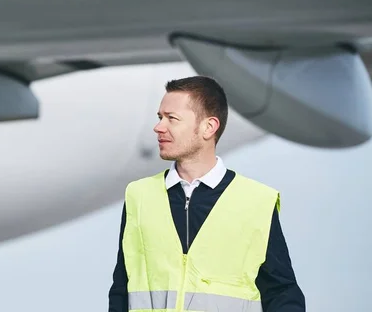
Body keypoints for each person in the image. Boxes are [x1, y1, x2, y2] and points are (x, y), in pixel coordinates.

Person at [108, 76, 305, 312]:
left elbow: (282, 292)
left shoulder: (257, 202)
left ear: (209, 127)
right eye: (160, 117)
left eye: (172, 119)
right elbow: (122, 287)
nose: (159, 127)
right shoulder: (139, 196)